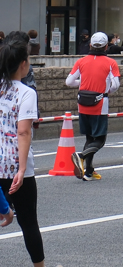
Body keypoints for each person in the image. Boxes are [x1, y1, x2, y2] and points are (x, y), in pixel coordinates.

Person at [0, 37, 45, 266]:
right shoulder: (26, 93)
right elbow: (24, 132)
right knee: (28, 223)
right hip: (15, 168)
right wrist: (23, 167)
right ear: (23, 64)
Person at [65, 31, 121, 181]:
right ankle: (81, 156)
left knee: (90, 138)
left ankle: (88, 172)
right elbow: (115, 85)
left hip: (82, 102)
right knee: (100, 139)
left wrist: (82, 84)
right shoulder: (111, 63)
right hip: (100, 103)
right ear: (106, 46)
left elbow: (69, 82)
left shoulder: (81, 61)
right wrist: (105, 88)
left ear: (90, 45)